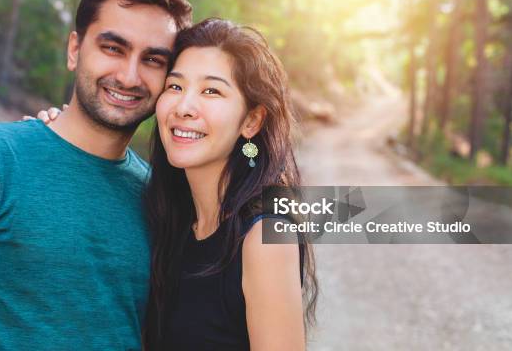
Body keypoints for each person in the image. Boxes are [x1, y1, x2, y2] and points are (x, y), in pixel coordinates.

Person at [0, 0, 192, 351]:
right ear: (75, 50)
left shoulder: (160, 199)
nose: (129, 76)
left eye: (153, 60)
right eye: (113, 48)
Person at [38, 18, 318, 350]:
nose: (184, 107)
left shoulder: (264, 236)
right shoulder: (168, 213)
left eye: (211, 91)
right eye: (175, 86)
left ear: (251, 120)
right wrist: (55, 136)